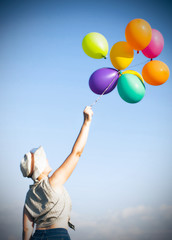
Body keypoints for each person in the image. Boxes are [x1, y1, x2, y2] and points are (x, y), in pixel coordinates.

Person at [20, 106, 93, 240]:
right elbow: (76, 153)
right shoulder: (53, 182)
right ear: (40, 166)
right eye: (44, 159)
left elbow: (26, 229)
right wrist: (86, 123)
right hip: (57, 235)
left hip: (37, 236)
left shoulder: (29, 194)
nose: (47, 159)